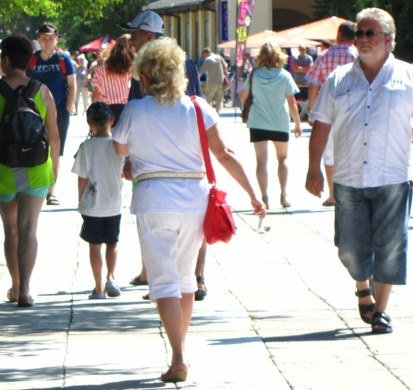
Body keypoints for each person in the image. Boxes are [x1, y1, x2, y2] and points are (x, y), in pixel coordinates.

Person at [112, 37, 264, 383]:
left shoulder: (135, 110)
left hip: (153, 197)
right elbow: (224, 154)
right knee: (184, 279)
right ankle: (181, 351)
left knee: (163, 280)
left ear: (146, 77)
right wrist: (253, 193)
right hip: (194, 197)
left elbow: (120, 150)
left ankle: (178, 356)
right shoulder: (198, 107)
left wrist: (141, 152)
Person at [306, 8, 413, 334]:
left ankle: (380, 310)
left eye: (370, 33)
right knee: (350, 248)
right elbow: (321, 125)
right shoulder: (338, 79)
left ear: (388, 40)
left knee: (391, 244)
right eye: (360, 33)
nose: (362, 39)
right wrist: (313, 168)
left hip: (393, 177)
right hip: (349, 178)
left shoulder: (410, 76)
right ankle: (361, 284)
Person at [122, 10, 204, 295]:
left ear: (148, 35)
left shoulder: (176, 65)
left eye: (134, 33)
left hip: (167, 156)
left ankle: (192, 277)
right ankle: (162, 276)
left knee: (168, 222)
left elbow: (196, 105)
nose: (130, 39)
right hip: (161, 157)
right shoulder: (143, 67)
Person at [0, 34, 60, 307]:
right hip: (37, 168)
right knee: (29, 230)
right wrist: (54, 176)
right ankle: (25, 289)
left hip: (2, 168)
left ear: (8, 59)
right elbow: (55, 138)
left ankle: (14, 285)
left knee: (11, 231)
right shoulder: (43, 91)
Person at [239, 41, 302, 209]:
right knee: (282, 159)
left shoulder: (254, 75)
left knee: (261, 162)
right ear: (278, 56)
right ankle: (283, 195)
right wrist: (297, 123)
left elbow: (243, 97)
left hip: (258, 122)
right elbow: (292, 101)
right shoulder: (284, 75)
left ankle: (265, 198)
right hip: (279, 122)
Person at [72, 102, 124, 300]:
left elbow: (82, 177)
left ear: (90, 124)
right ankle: (111, 277)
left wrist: (80, 200)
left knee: (95, 246)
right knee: (113, 242)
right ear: (111, 121)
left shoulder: (86, 147)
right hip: (114, 202)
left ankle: (99, 287)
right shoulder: (118, 146)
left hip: (93, 204)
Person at [305, 22, 357, 208]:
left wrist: (313, 112)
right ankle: (352, 193)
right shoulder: (358, 56)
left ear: (339, 35)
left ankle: (333, 194)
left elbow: (312, 84)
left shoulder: (325, 56)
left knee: (329, 154)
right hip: (354, 111)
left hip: (328, 110)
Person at [27, 23, 76, 206]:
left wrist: (69, 107)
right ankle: (36, 186)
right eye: (44, 38)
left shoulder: (63, 59)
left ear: (57, 38)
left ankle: (51, 191)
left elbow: (72, 85)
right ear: (39, 40)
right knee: (36, 148)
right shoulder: (33, 60)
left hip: (60, 111)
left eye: (51, 38)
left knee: (55, 150)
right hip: (35, 111)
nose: (47, 42)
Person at [90, 34, 134, 121]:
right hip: (126, 110)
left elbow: (96, 93)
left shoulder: (101, 69)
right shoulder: (132, 69)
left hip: (106, 112)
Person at [199, 48, 228, 112]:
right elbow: (226, 66)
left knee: (208, 99)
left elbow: (201, 72)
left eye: (203, 56)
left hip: (212, 83)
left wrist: (197, 79)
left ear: (205, 54)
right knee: (219, 99)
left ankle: (210, 114)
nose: (203, 57)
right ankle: (217, 114)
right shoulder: (219, 57)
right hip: (221, 82)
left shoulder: (207, 60)